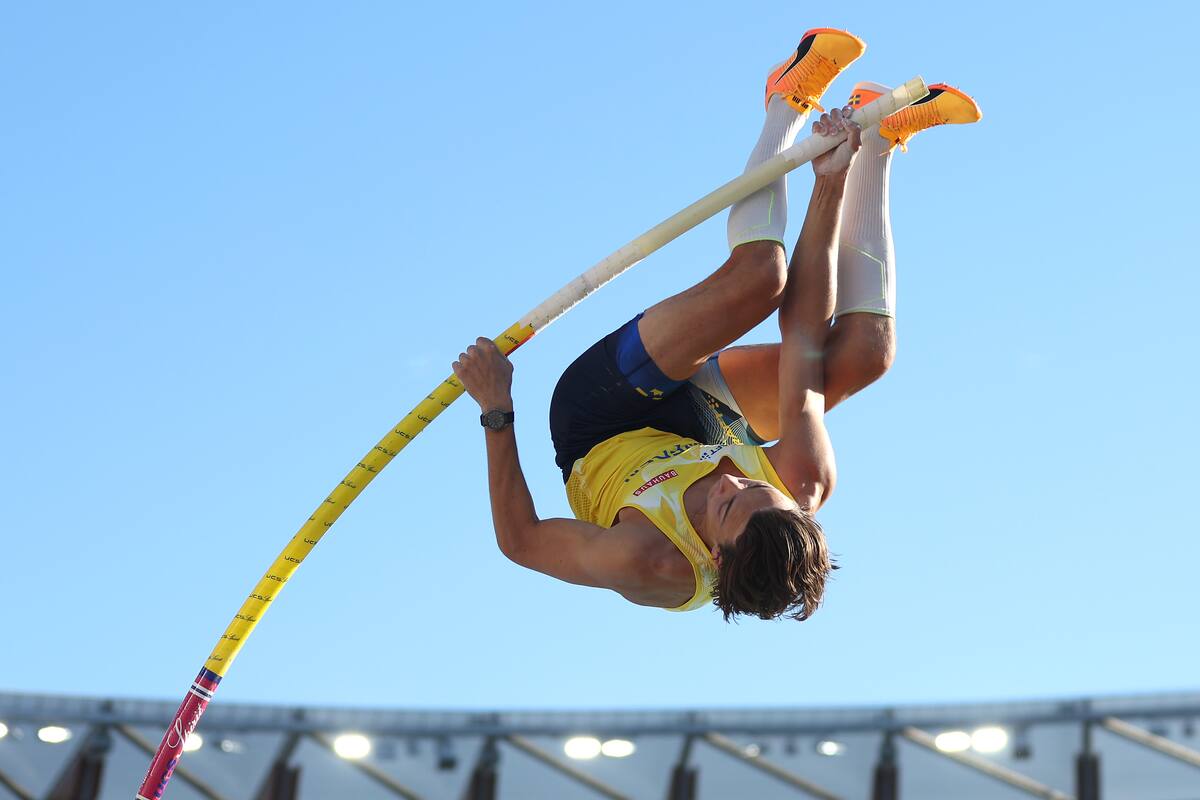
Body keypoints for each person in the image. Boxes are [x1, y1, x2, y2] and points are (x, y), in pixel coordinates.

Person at [452, 29, 981, 621]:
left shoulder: (652, 562)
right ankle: (875, 139)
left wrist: (496, 410)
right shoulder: (801, 479)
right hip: (695, 427)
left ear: (718, 562)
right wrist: (829, 182)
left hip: (599, 424)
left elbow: (521, 541)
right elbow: (803, 336)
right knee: (865, 354)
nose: (730, 480)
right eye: (757, 488)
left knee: (759, 277)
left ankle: (785, 104)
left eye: (727, 508)